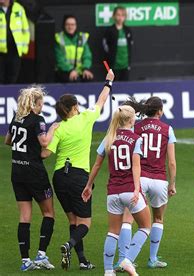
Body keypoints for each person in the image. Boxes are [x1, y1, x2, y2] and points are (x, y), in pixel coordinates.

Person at [41, 69, 115, 270]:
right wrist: (108, 82)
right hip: (78, 176)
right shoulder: (85, 119)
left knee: (72, 220)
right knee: (85, 223)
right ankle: (68, 245)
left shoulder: (58, 127)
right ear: (73, 107)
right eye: (77, 105)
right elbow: (101, 101)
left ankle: (82, 260)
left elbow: (45, 153)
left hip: (59, 177)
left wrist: (48, 132)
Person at [82, 105, 150, 276]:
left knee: (113, 232)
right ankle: (127, 260)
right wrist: (136, 189)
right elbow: (136, 166)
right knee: (145, 226)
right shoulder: (136, 139)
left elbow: (97, 164)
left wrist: (89, 185)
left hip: (112, 192)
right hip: (129, 190)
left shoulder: (109, 138)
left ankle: (108, 271)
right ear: (131, 120)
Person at [113, 96, 176, 270]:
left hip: (140, 178)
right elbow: (171, 162)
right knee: (158, 218)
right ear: (160, 111)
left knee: (128, 219)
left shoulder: (136, 127)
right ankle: (153, 259)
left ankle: (122, 259)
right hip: (159, 179)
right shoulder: (167, 129)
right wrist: (172, 183)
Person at [5, 86, 58, 271]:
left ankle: (25, 261)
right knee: (49, 213)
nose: (43, 106)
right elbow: (44, 142)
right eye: (41, 103)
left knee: (24, 217)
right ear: (36, 103)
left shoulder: (16, 118)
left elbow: (7, 141)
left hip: (17, 172)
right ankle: (41, 255)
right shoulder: (38, 120)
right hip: (34, 173)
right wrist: (52, 129)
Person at [55, 15, 94, 82]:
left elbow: (87, 56)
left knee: (88, 77)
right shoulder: (60, 39)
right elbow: (60, 59)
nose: (70, 27)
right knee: (74, 79)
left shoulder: (82, 38)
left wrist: (85, 68)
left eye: (72, 24)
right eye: (68, 24)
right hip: (64, 71)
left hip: (79, 71)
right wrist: (71, 70)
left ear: (76, 26)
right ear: (64, 26)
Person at [0, 0, 29, 84]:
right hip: (0, 52)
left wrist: (24, 48)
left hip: (15, 51)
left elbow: (25, 30)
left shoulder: (18, 8)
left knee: (12, 78)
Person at [103, 6, 133, 81]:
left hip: (125, 65)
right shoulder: (109, 30)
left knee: (125, 87)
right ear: (114, 16)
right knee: (112, 86)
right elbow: (105, 46)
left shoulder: (127, 30)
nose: (120, 17)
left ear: (125, 17)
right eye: (118, 15)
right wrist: (110, 57)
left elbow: (130, 46)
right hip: (113, 65)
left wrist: (129, 63)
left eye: (123, 15)